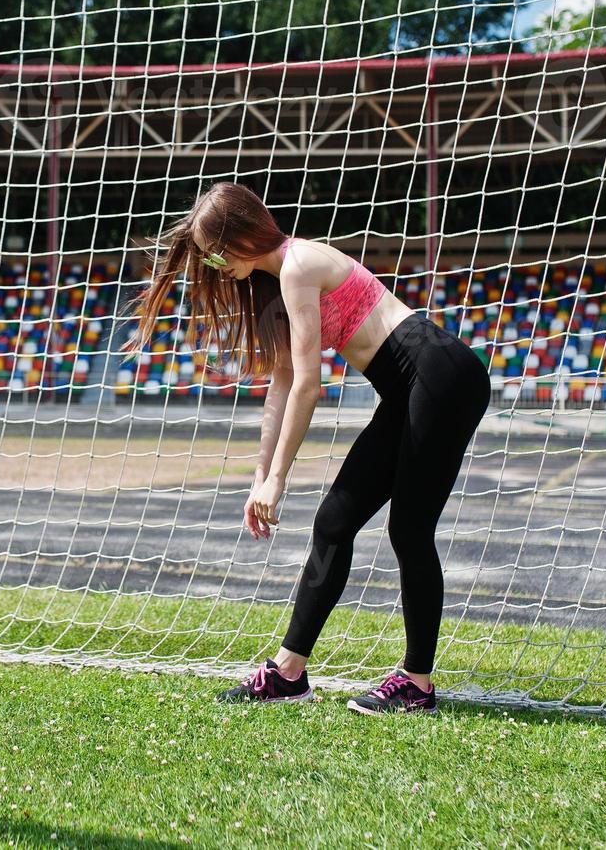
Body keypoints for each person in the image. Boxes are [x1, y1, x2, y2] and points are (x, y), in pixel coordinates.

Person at [120, 182, 490, 714]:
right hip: (412, 387)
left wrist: (279, 479)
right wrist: (261, 475)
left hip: (440, 375)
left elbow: (309, 387)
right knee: (334, 522)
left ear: (242, 238)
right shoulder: (280, 281)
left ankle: (418, 683)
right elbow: (283, 381)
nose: (216, 267)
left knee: (409, 530)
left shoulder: (297, 266)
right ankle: (289, 673)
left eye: (216, 254)